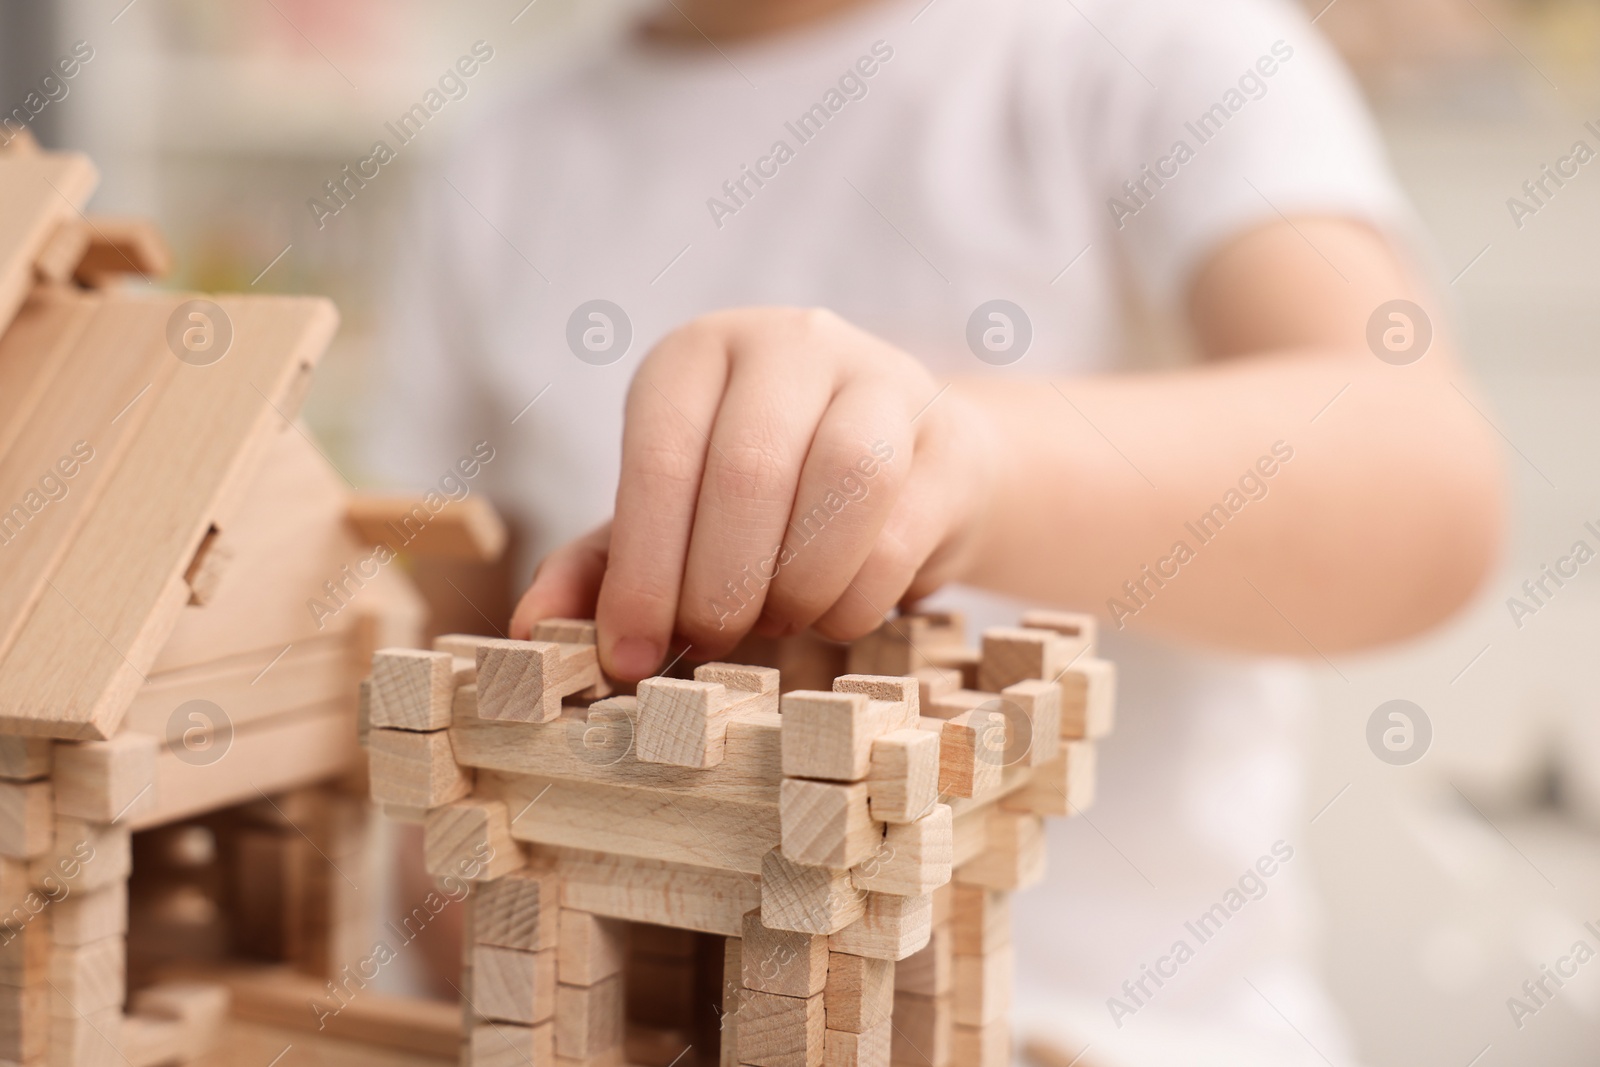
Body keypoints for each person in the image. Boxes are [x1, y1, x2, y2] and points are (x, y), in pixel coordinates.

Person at [365, 0, 1503, 1062]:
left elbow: (1424, 476)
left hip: (1133, 1030)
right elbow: (446, 646)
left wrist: (982, 467)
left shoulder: (1156, 42)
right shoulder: (501, 147)